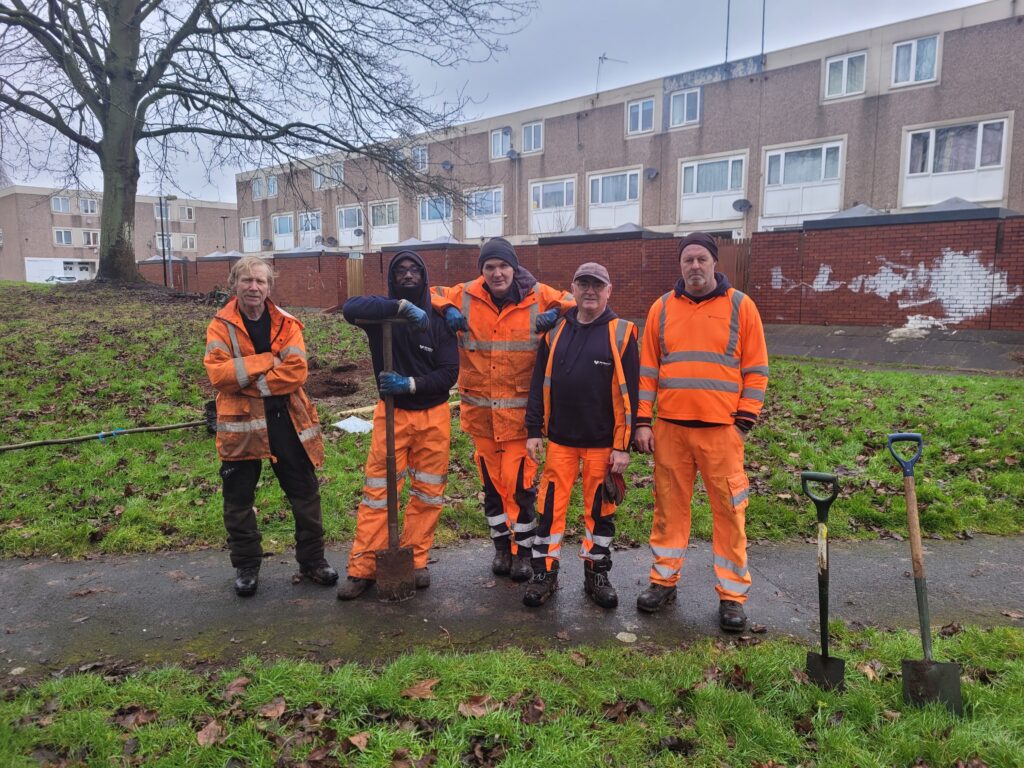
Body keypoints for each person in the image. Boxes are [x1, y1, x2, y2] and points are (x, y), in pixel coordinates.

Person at [633, 232, 768, 632]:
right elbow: (647, 371)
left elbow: (757, 367)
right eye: (688, 259)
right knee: (668, 510)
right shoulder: (661, 308)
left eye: (701, 259)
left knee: (729, 513)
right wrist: (643, 420)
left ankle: (731, 596)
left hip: (721, 432)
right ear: (681, 265)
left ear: (714, 263)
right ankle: (663, 581)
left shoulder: (741, 307)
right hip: (671, 429)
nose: (694, 266)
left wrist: (744, 421)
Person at [431, 238, 574, 583]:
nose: (497, 273)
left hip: (520, 419)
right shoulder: (465, 293)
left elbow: (573, 300)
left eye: (503, 266)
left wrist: (556, 314)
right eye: (489, 267)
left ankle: (522, 552)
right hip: (480, 415)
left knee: (519, 486)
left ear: (514, 267)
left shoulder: (537, 294)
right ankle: (500, 546)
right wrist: (446, 309)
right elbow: (429, 291)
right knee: (492, 486)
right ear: (482, 270)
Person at [204, 256, 338, 597]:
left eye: (260, 281)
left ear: (269, 286)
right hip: (240, 422)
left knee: (305, 492)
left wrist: (252, 383)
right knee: (238, 499)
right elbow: (218, 375)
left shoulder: (287, 323)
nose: (253, 287)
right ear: (234, 284)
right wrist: (266, 361)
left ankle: (313, 561)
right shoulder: (220, 325)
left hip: (285, 417)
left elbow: (297, 371)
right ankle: (246, 566)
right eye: (247, 280)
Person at [336, 251, 459, 599]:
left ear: (424, 275)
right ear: (393, 279)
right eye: (401, 271)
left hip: (433, 417)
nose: (408, 275)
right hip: (391, 414)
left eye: (414, 270)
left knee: (428, 493)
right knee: (378, 493)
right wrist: (400, 307)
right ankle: (362, 569)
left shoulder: (439, 321)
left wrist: (411, 384)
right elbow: (350, 308)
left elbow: (450, 373)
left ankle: (416, 560)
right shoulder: (383, 316)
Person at [524, 262, 639, 608]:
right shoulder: (556, 331)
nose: (590, 291)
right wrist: (533, 430)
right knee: (548, 511)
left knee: (600, 513)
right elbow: (536, 384)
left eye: (597, 285)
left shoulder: (622, 332)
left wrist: (623, 446)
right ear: (572, 289)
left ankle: (597, 573)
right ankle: (544, 574)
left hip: (602, 445)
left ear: (608, 291)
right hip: (560, 441)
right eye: (583, 284)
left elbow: (630, 394)